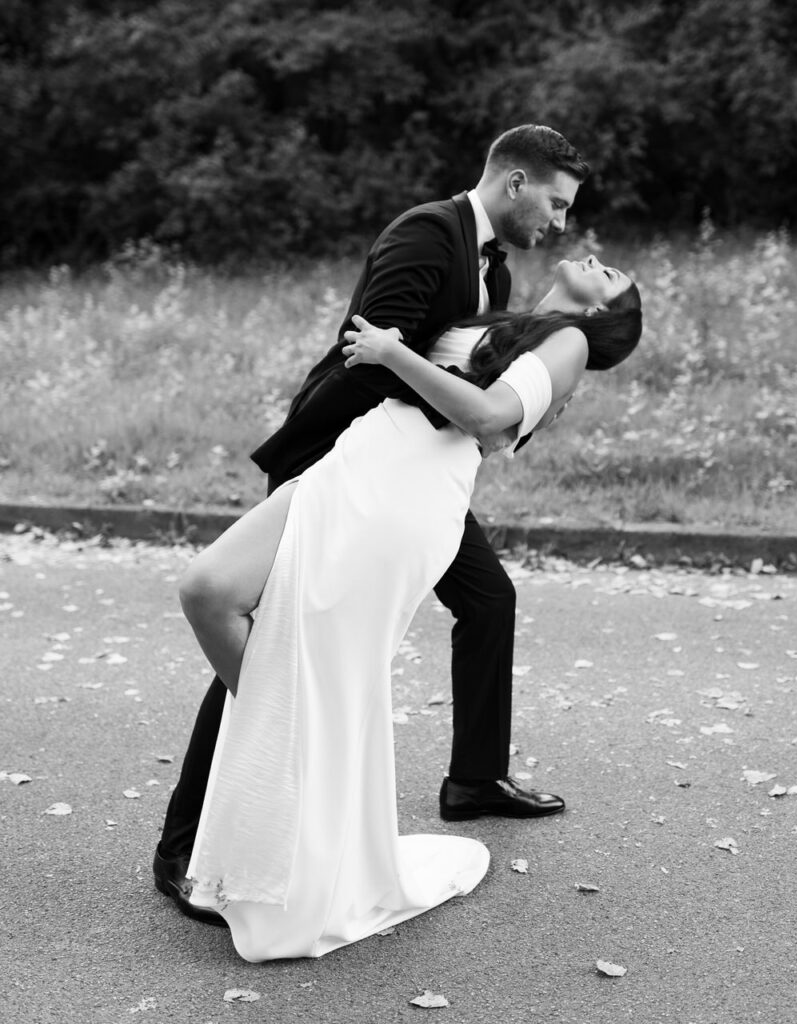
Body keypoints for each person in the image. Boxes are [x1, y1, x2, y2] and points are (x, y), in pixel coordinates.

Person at [154, 124, 592, 926]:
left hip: (418, 482)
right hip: (345, 468)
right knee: (269, 633)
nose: (559, 223)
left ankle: (473, 779)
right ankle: (182, 849)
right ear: (515, 181)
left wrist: (511, 389)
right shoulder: (427, 233)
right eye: (555, 204)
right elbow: (368, 355)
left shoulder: (495, 267)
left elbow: (476, 363)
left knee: (488, 599)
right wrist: (477, 418)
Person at [177, 255, 642, 961]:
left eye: (609, 277)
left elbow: (489, 416)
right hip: (357, 460)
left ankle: (308, 794)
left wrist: (392, 353)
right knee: (214, 595)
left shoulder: (569, 340)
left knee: (223, 598)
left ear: (601, 313)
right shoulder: (513, 317)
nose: (595, 260)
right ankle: (309, 770)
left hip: (406, 490)